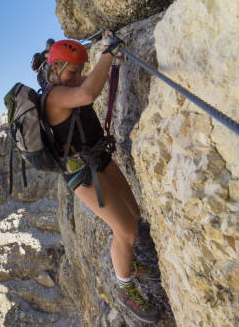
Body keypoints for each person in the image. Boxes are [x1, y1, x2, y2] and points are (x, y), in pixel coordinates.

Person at [43, 33, 160, 324]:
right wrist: (107, 52)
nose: (77, 76)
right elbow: (87, 95)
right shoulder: (54, 96)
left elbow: (88, 85)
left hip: (97, 158)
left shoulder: (65, 85)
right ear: (55, 68)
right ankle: (125, 288)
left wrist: (106, 58)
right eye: (72, 71)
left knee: (133, 213)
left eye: (80, 71)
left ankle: (128, 259)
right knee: (127, 232)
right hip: (82, 173)